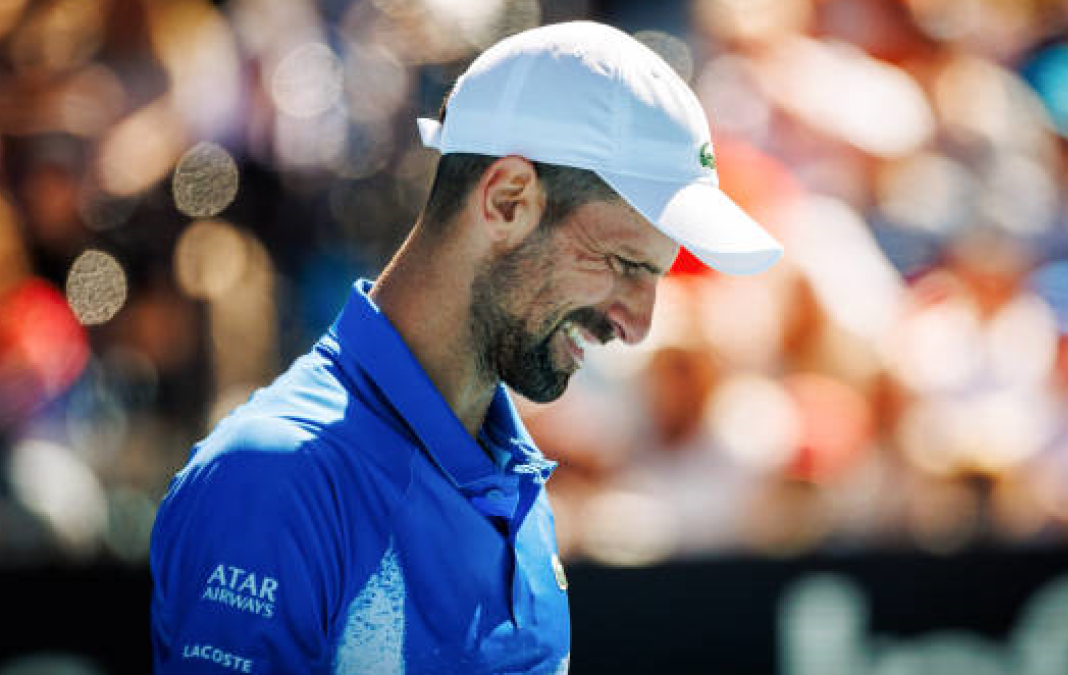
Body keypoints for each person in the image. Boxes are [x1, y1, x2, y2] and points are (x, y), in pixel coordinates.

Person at [150, 20, 781, 674]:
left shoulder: (515, 479)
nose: (638, 323)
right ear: (507, 200)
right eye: (624, 261)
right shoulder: (275, 475)